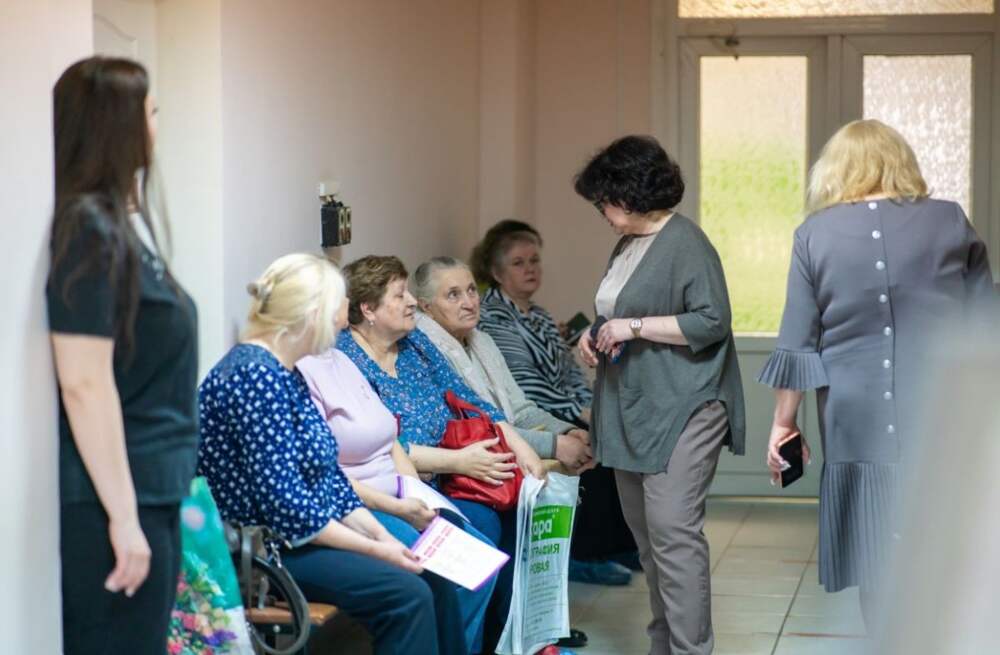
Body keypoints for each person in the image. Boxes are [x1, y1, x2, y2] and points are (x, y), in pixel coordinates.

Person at [757, 119, 998, 629]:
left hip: (854, 417)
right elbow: (985, 323)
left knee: (875, 554)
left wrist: (783, 424)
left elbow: (798, 339)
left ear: (836, 170)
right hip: (942, 412)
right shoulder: (949, 219)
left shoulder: (814, 234)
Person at [198, 254, 466, 655]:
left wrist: (382, 535)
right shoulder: (254, 376)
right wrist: (379, 549)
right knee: (408, 593)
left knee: (433, 572)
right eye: (340, 306)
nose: (343, 321)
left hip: (297, 537)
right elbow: (288, 510)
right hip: (271, 549)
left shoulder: (284, 372)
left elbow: (330, 481)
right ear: (313, 314)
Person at [47, 56, 198, 655]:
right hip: (114, 499)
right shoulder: (87, 227)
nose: (157, 125)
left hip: (152, 489)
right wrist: (125, 517)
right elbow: (83, 383)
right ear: (115, 126)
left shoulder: (119, 225)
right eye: (150, 112)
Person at [574, 134, 746, 655]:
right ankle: (663, 644)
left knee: (673, 532)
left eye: (604, 201)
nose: (601, 212)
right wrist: (595, 333)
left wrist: (633, 327)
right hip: (633, 405)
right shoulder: (628, 244)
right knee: (649, 542)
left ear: (628, 194)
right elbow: (618, 312)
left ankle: (691, 649)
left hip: (685, 404)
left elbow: (712, 320)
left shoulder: (686, 242)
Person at [337, 255, 547, 654]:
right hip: (408, 483)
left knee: (520, 512)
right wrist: (458, 462)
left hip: (451, 474)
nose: (412, 302)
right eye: (400, 295)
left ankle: (509, 641)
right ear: (368, 309)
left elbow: (468, 397)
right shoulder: (346, 357)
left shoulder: (415, 342)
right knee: (480, 541)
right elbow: (381, 446)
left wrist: (520, 447)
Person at [412, 255, 596, 650]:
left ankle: (534, 632)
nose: (469, 302)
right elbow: (474, 425)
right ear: (425, 307)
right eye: (453, 295)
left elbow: (519, 408)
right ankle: (507, 637)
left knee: (559, 497)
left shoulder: (482, 339)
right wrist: (555, 445)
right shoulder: (426, 348)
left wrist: (567, 431)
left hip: (508, 458)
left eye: (471, 290)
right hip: (466, 471)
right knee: (504, 520)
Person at [297, 316, 496, 652]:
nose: (412, 303)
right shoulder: (299, 372)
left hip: (400, 496)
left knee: (482, 566)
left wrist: (418, 495)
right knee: (441, 576)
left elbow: (391, 439)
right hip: (363, 503)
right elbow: (325, 476)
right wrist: (400, 509)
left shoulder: (340, 358)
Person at [474, 220, 638, 585]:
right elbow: (527, 384)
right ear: (496, 272)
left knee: (608, 427)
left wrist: (591, 406)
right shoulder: (494, 317)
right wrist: (578, 415)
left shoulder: (540, 315)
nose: (530, 269)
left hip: (559, 406)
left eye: (534, 260)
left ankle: (618, 543)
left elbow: (569, 371)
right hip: (532, 411)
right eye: (518, 263)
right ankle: (584, 553)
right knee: (589, 441)